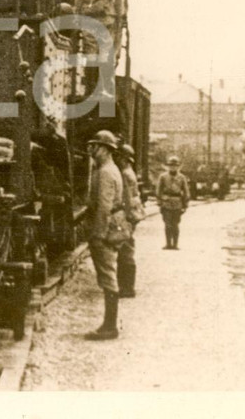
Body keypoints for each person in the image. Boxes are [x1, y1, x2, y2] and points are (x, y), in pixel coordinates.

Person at [84, 130, 126, 340]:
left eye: (96, 146)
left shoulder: (106, 172)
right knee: (108, 273)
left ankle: (110, 326)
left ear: (106, 150)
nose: (92, 150)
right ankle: (109, 324)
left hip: (107, 228)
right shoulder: (108, 169)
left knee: (108, 274)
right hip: (112, 225)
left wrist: (98, 234)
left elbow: (104, 207)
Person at [115, 143, 146, 298]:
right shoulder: (130, 172)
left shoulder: (124, 174)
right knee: (126, 249)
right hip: (134, 213)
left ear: (123, 158)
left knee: (125, 251)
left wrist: (125, 217)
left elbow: (126, 197)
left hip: (129, 214)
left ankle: (127, 287)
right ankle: (126, 286)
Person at [158, 155, 190, 249]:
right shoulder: (163, 177)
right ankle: (168, 244)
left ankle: (175, 244)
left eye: (175, 165)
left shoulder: (182, 177)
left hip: (177, 203)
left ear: (178, 166)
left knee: (175, 224)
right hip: (166, 202)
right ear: (168, 166)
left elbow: (186, 191)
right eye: (171, 165)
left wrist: (185, 204)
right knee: (167, 224)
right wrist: (160, 201)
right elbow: (158, 190)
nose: (173, 167)